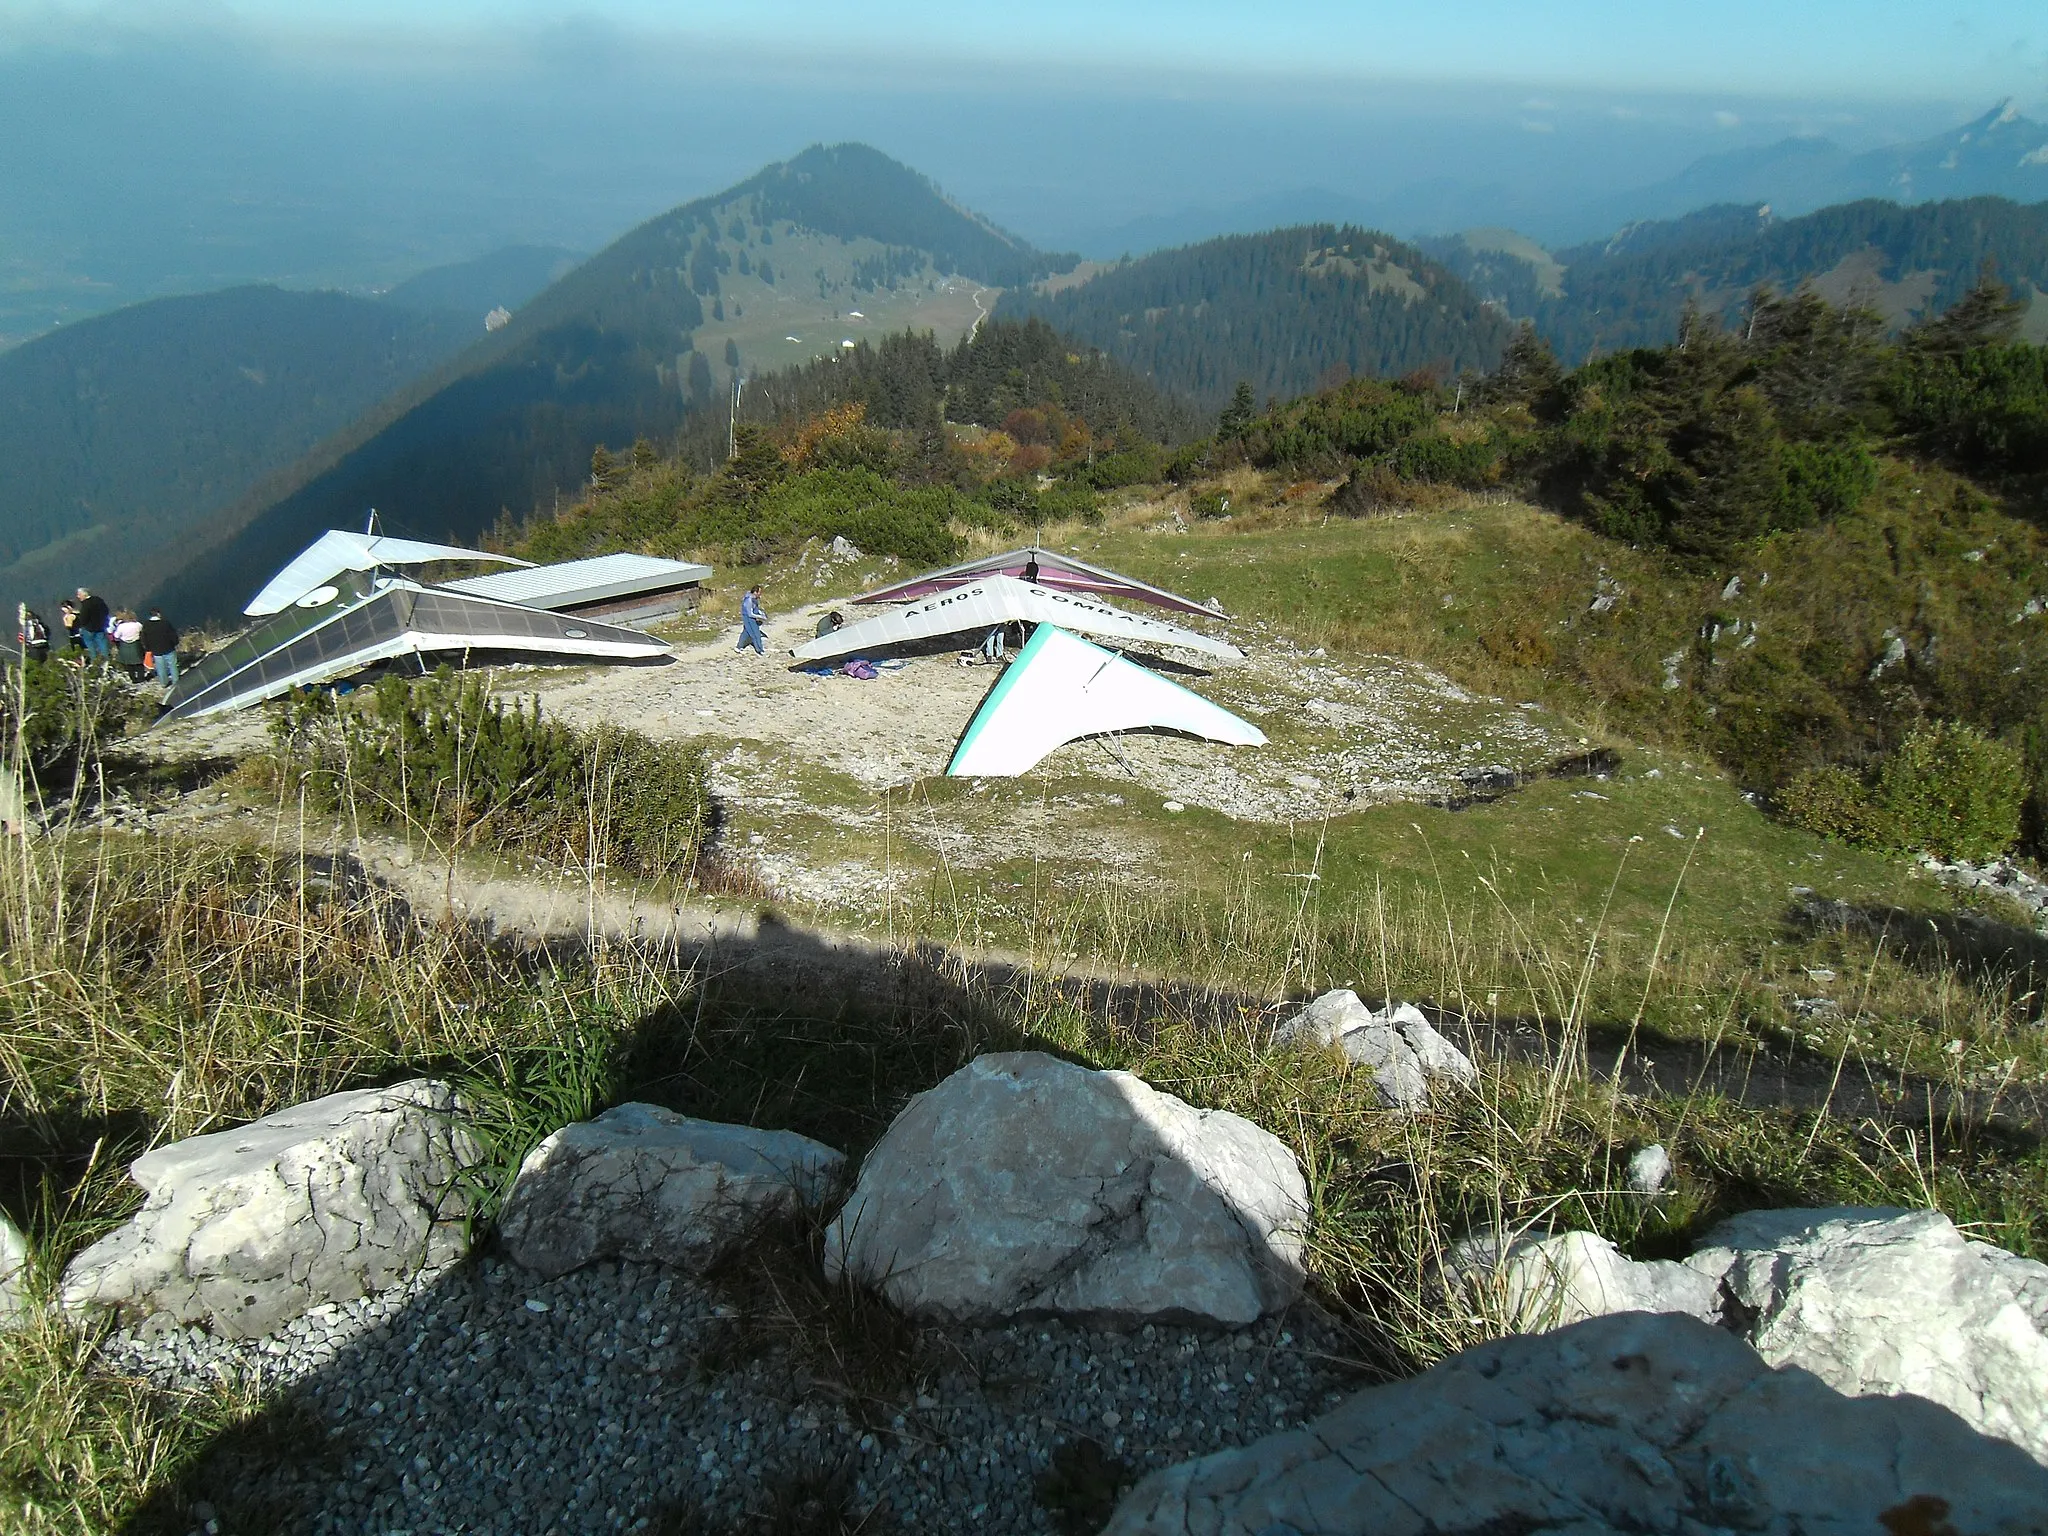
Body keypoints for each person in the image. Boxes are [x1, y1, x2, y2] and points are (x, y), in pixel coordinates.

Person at [140, 608, 180, 688]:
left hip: (156, 650)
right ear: (158, 614)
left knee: (160, 667)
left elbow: (144, 638)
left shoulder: (146, 625)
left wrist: (148, 649)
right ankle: (176, 682)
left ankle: (164, 683)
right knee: (173, 665)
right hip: (168, 648)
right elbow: (172, 635)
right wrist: (175, 643)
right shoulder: (165, 623)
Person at [74, 588, 110, 662]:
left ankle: (94, 662)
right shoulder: (98, 600)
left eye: (79, 594)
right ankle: (106, 661)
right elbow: (106, 611)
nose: (78, 596)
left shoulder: (85, 604)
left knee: (90, 646)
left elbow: (84, 618)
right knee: (102, 644)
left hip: (88, 629)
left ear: (84, 594)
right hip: (100, 626)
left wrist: (81, 624)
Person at [736, 585, 766, 655]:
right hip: (748, 618)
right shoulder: (749, 600)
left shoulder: (755, 598)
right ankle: (760, 650)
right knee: (756, 633)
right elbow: (750, 614)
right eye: (759, 592)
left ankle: (738, 647)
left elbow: (756, 608)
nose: (760, 594)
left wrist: (761, 613)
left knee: (746, 632)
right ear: (755, 592)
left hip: (752, 617)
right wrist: (761, 617)